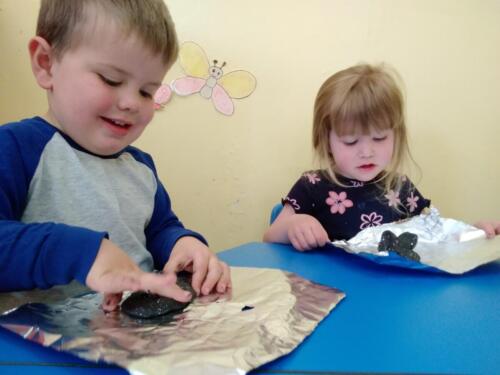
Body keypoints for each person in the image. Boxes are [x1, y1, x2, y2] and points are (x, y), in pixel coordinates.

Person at [0, 0, 230, 311]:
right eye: (111, 79)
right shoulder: (15, 148)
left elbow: (159, 229)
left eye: (147, 91)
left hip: (136, 338)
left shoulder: (141, 167)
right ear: (46, 63)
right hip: (39, 351)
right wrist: (82, 253)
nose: (132, 103)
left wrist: (182, 244)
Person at [263, 64, 500, 251]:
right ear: (326, 140)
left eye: (379, 138)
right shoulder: (311, 186)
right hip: (327, 293)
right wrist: (294, 225)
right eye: (351, 141)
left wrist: (473, 234)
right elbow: (271, 236)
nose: (367, 151)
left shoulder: (401, 189)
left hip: (389, 297)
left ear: (397, 134)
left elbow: (435, 238)